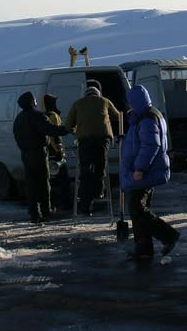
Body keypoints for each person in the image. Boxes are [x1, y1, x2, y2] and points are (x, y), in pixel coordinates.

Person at [120, 84, 179, 261]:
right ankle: (143, 248)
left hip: (144, 172)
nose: (129, 106)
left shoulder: (147, 119)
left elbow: (150, 145)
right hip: (143, 171)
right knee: (138, 209)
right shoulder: (146, 116)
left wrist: (140, 168)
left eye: (130, 102)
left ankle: (168, 235)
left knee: (137, 208)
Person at [64, 80, 124, 216]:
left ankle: (85, 206)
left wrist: (77, 131)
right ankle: (99, 192)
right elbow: (118, 116)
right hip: (103, 138)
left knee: (85, 171)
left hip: (84, 140)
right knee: (101, 165)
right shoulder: (105, 101)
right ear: (98, 94)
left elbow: (68, 125)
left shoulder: (78, 103)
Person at [13, 93, 56, 223]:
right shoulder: (37, 116)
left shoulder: (19, 118)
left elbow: (16, 136)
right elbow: (50, 129)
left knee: (31, 184)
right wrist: (67, 129)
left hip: (26, 154)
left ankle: (34, 212)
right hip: (39, 153)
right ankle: (46, 210)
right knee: (43, 182)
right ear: (32, 102)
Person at [44, 93, 71, 211]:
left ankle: (54, 203)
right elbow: (55, 135)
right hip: (56, 152)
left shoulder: (45, 115)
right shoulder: (53, 115)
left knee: (52, 180)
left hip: (49, 152)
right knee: (64, 180)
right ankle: (66, 204)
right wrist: (59, 150)